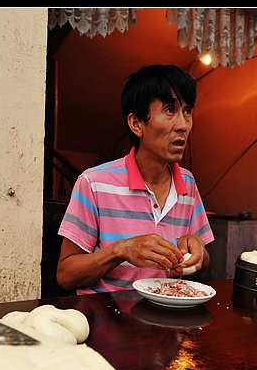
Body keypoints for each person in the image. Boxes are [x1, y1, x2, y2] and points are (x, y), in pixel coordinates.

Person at [56, 64, 214, 294]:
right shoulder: (94, 183)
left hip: (167, 321)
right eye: (170, 110)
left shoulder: (187, 184)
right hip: (107, 321)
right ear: (136, 123)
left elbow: (204, 260)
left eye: (187, 111)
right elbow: (65, 275)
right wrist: (121, 250)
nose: (183, 125)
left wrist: (198, 253)